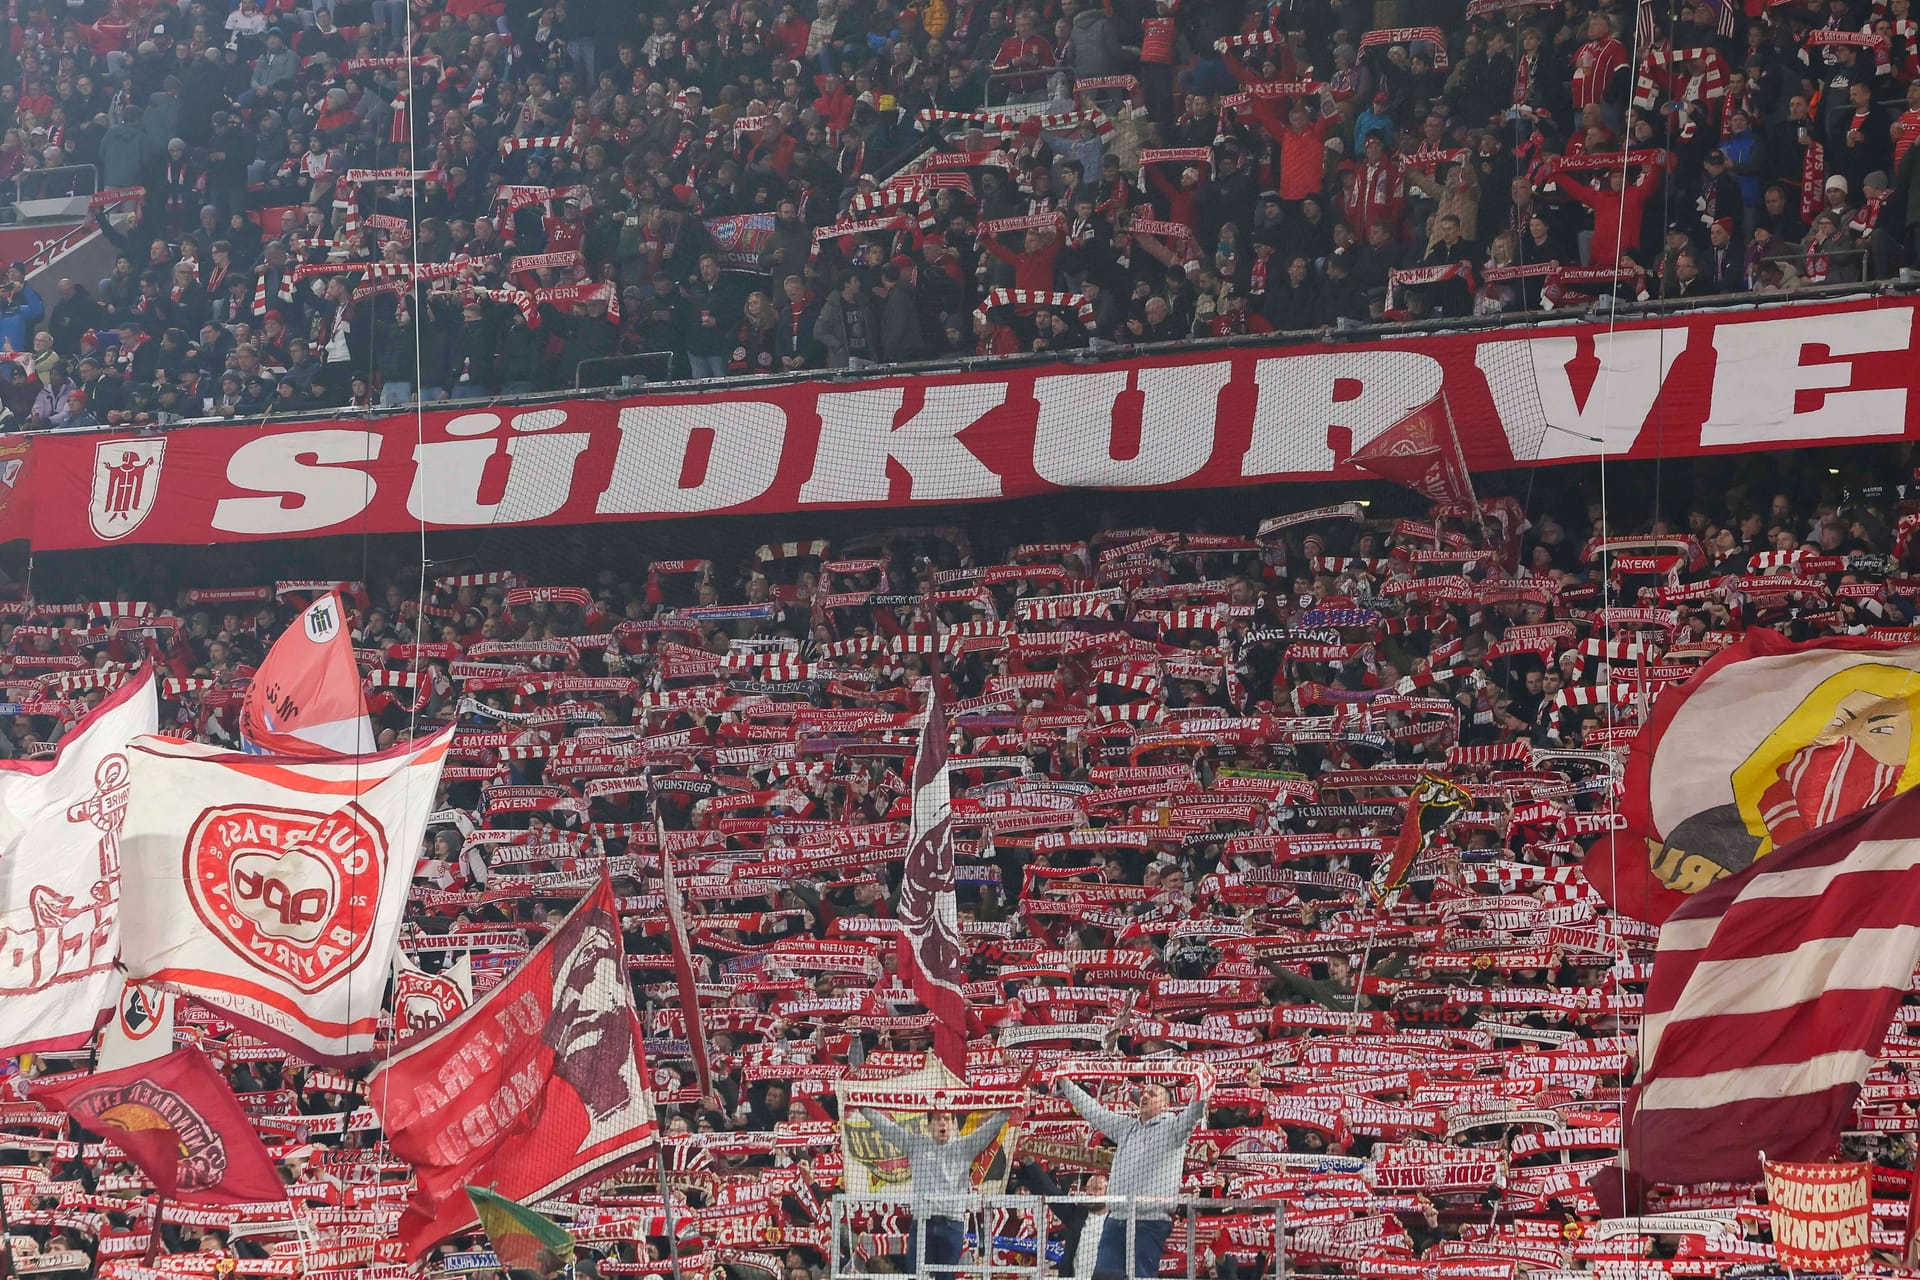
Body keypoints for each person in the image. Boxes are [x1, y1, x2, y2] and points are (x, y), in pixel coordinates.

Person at [1057, 1070, 1212, 1278]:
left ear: (1166, 1105)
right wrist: (1064, 1082)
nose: (1145, 1096)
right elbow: (1094, 1112)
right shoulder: (1127, 1127)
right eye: (1145, 1092)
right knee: (1104, 1276)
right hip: (1116, 1218)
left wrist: (1205, 1086)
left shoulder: (1175, 1128)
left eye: (1153, 1094)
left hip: (1149, 1221)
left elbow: (1194, 1111)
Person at [854, 1105, 1011, 1278]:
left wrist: (1011, 1109)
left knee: (945, 1278)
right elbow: (887, 1128)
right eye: (937, 1119)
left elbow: (990, 1129)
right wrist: (862, 1108)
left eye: (946, 1118)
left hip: (952, 1226)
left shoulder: (966, 1146)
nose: (942, 1122)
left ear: (953, 1124)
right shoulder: (915, 1145)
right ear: (929, 1126)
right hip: (922, 1225)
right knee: (917, 1276)